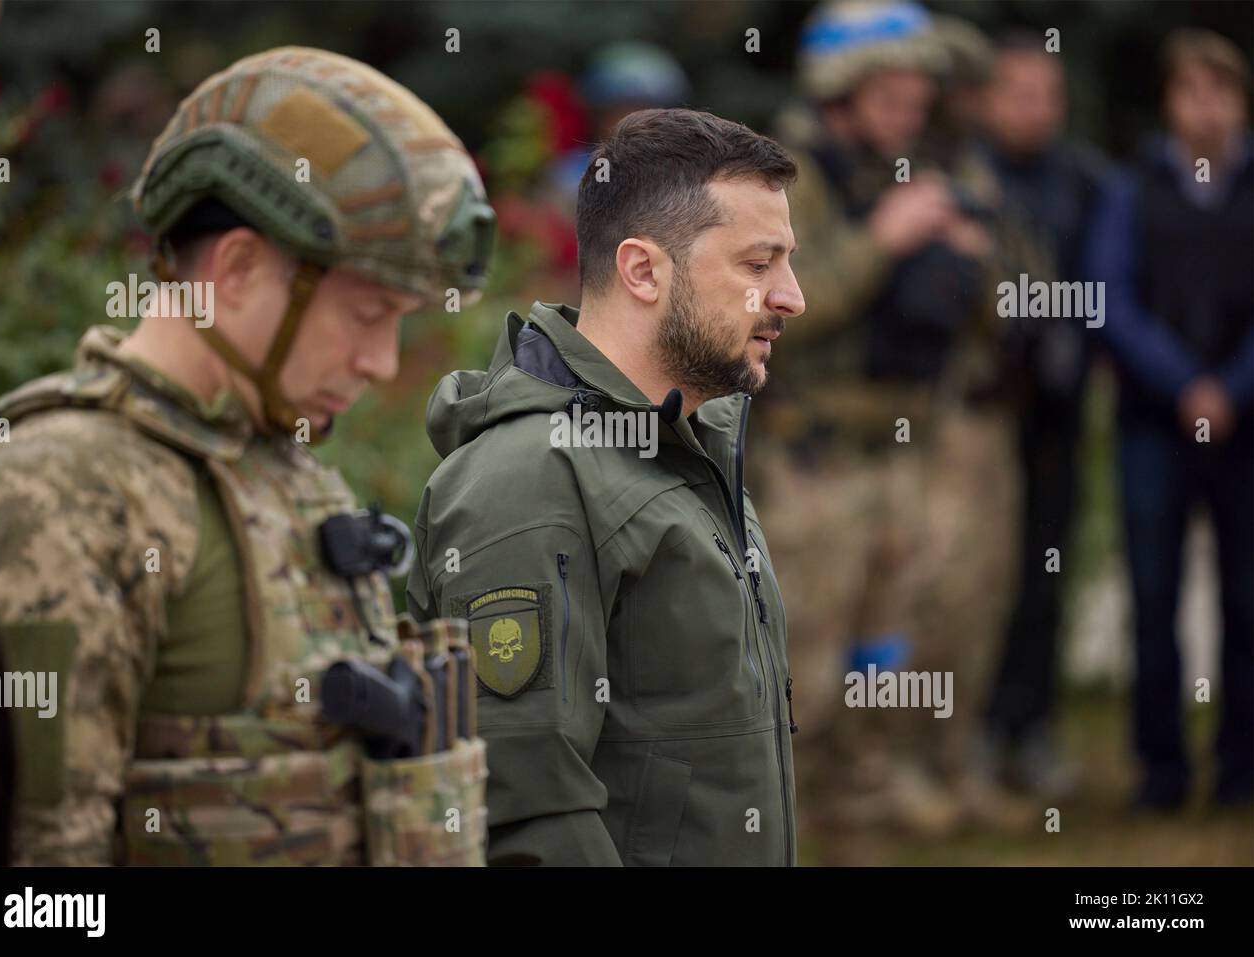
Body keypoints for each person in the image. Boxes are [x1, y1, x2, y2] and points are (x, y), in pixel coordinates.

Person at [0, 46, 495, 865]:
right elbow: (40, 885)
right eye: (368, 312)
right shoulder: (58, 490)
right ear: (239, 269)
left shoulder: (283, 468)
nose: (384, 361)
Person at [407, 107, 804, 866]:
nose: (791, 296)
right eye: (759, 265)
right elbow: (526, 815)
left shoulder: (691, 450)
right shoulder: (530, 481)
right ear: (644, 270)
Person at [760, 0, 1010, 837]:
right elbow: (781, 313)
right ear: (841, 92)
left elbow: (988, 323)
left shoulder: (909, 171)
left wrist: (966, 263)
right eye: (893, 96)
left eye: (918, 97)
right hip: (814, 469)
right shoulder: (790, 179)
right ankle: (775, 836)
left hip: (901, 458)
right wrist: (886, 240)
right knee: (802, 681)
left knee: (881, 666)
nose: (911, 112)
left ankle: (858, 832)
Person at [1089, 29, 1253, 811]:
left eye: (1222, 91)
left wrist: (1231, 388)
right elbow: (1108, 301)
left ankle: (1242, 766)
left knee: (1247, 597)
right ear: (1171, 103)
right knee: (1154, 596)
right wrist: (1187, 385)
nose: (1208, 108)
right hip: (1153, 425)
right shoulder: (1130, 190)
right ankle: (1160, 768)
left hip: (1246, 427)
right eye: (1193, 91)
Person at [976, 31, 1109, 799]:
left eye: (1049, 95)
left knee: (1046, 569)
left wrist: (1071, 335)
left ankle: (1035, 724)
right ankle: (977, 727)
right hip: (980, 420)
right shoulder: (968, 177)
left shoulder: (1086, 183)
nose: (1037, 110)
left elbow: (1114, 287)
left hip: (1057, 413)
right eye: (1021, 93)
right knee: (979, 574)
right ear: (990, 99)